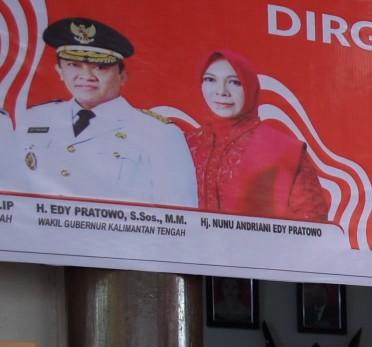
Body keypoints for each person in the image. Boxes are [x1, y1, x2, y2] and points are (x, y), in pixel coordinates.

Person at [16, 18, 197, 206]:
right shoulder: (33, 119)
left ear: (122, 76)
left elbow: (179, 214)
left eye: (100, 67)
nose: (86, 76)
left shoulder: (159, 133)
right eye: (74, 65)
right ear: (59, 71)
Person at [187, 49, 329, 221]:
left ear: (250, 86)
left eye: (234, 82)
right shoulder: (184, 143)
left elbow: (313, 223)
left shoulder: (284, 149)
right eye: (210, 80)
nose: (221, 91)